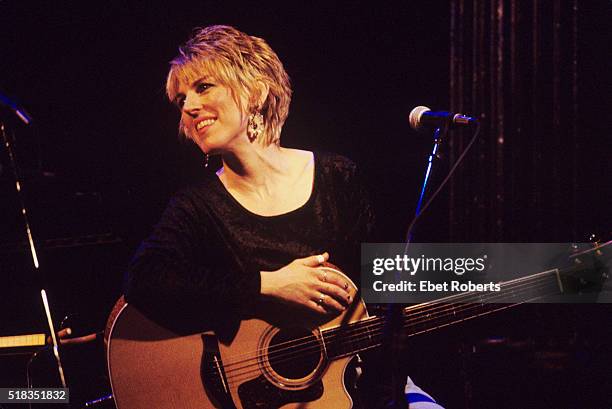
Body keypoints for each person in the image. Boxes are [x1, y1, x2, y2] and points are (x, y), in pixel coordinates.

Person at [123, 25, 442, 409]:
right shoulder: (196, 206)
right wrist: (266, 284)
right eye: (180, 100)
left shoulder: (337, 177)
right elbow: (144, 280)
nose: (189, 107)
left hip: (363, 380)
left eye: (203, 87)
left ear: (256, 92)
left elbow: (385, 290)